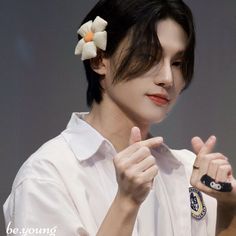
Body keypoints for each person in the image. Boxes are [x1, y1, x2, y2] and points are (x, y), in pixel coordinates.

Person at [3, 0, 236, 235]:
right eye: (149, 56)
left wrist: (230, 208)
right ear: (99, 59)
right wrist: (126, 203)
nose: (168, 78)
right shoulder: (47, 176)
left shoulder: (188, 171)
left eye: (177, 63)